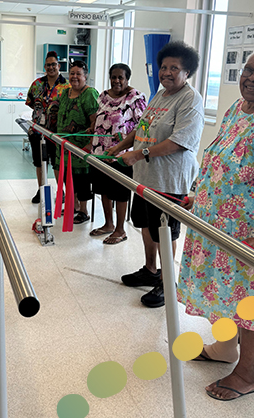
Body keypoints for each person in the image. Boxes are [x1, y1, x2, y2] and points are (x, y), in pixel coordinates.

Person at [176, 46, 254, 401]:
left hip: (253, 233)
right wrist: (198, 194)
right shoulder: (238, 108)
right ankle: (224, 347)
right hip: (223, 227)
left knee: (250, 298)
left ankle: (246, 373)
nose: (251, 77)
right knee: (228, 291)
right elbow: (218, 156)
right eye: (248, 69)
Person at [105, 41, 204, 307]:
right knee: (146, 226)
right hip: (145, 177)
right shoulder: (160, 95)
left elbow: (179, 141)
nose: (167, 72)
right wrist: (122, 145)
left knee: (165, 232)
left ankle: (167, 281)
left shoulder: (190, 99)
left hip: (169, 180)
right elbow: (142, 127)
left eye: (174, 68)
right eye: (163, 67)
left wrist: (139, 154)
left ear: (187, 72)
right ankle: (150, 270)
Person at [88, 63, 147, 244]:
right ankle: (108, 224)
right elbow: (98, 118)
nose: (116, 81)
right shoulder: (104, 96)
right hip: (100, 153)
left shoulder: (135, 98)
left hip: (121, 156)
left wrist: (124, 139)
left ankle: (121, 230)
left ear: (127, 78)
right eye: (113, 77)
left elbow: (143, 126)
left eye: (120, 77)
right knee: (103, 190)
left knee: (120, 193)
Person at [54, 60, 99, 224]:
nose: (74, 77)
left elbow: (96, 122)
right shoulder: (65, 93)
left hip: (81, 147)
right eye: (72, 73)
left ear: (85, 76)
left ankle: (84, 210)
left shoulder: (90, 94)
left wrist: (89, 145)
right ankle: (73, 205)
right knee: (67, 177)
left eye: (78, 74)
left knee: (81, 180)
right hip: (64, 146)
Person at [25, 50, 69, 204]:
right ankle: (41, 189)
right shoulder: (37, 84)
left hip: (57, 133)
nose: (51, 67)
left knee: (56, 163)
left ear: (59, 65)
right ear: (45, 66)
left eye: (54, 64)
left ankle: (60, 191)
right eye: (48, 65)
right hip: (37, 131)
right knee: (39, 162)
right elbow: (31, 103)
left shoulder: (67, 86)